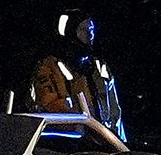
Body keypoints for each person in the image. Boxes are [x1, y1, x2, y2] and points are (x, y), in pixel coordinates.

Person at [27, 8, 127, 142]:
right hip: (67, 144)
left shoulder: (99, 66)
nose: (89, 35)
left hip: (104, 141)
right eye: (83, 30)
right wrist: (80, 129)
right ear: (70, 32)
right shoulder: (49, 67)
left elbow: (114, 110)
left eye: (91, 29)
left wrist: (119, 140)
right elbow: (49, 106)